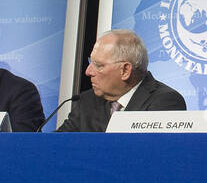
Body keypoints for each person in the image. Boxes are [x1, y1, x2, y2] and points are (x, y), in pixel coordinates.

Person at [57, 29, 185, 132]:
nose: (88, 72)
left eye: (99, 65)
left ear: (125, 70)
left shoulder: (165, 101)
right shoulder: (87, 101)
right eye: (91, 61)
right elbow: (55, 147)